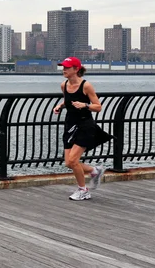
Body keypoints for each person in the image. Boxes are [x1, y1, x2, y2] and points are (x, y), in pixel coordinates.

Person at [53, 57, 105, 201]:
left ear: (76, 69)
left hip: (85, 125)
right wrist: (60, 106)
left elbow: (98, 106)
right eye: (63, 67)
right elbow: (68, 100)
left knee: (74, 160)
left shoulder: (86, 86)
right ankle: (95, 171)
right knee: (69, 163)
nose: (63, 69)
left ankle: (83, 190)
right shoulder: (64, 85)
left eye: (67, 67)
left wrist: (85, 105)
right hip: (70, 124)